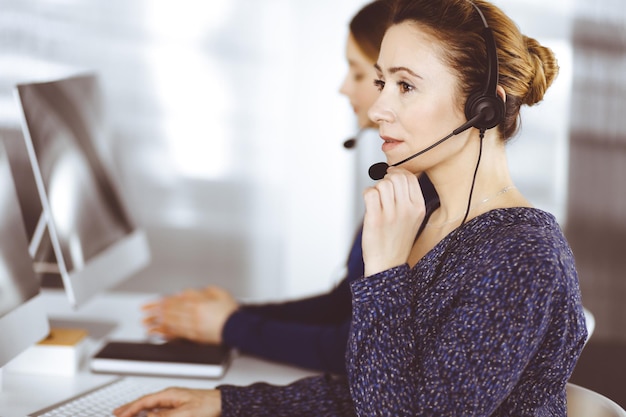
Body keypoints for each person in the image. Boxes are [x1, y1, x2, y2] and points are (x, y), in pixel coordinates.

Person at [115, 0, 588, 416]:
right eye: (381, 82)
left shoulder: (522, 257)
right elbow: (376, 392)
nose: (379, 107)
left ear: (484, 107)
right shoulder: (435, 221)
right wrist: (230, 403)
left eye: (405, 86)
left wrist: (384, 270)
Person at [139, 0, 419, 376]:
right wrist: (232, 316)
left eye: (357, 72)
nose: (342, 88)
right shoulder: (402, 182)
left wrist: (230, 326)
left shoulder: (422, 201)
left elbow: (354, 346)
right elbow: (344, 305)